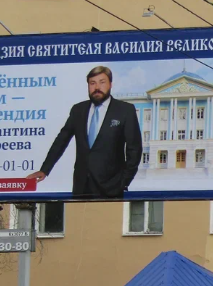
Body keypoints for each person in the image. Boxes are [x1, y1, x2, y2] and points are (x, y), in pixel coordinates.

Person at [27, 66, 143, 198]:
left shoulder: (125, 110)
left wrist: (124, 182)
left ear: (110, 84)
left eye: (102, 82)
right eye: (92, 83)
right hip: (81, 186)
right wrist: (45, 170)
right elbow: (61, 141)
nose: (97, 87)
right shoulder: (78, 110)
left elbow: (134, 148)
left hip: (111, 188)